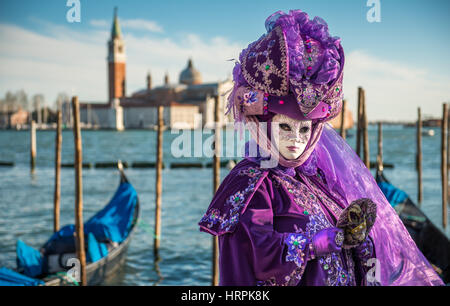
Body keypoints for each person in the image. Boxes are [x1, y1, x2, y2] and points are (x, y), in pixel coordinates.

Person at [198, 9, 444, 286]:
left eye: (305, 129)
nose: (297, 139)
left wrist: (355, 241)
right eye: (285, 127)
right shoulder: (251, 184)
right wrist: (317, 243)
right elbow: (258, 256)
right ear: (264, 126)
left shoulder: (316, 178)